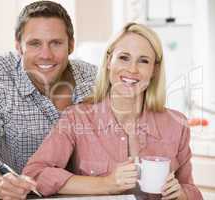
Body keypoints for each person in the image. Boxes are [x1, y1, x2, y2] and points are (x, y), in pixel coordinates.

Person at [23, 22, 203, 200]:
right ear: (109, 61)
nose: (132, 69)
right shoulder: (77, 118)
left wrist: (181, 194)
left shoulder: (176, 124)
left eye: (143, 61)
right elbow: (34, 174)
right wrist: (106, 184)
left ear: (154, 70)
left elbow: (192, 190)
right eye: (124, 57)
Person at [0, 1, 97, 199]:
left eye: (56, 43)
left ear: (71, 45)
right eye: (34, 43)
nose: (46, 55)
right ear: (18, 45)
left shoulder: (92, 78)